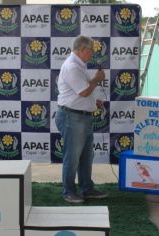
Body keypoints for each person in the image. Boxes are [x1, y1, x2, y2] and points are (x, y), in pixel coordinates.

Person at [55, 35, 108, 203]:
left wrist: (94, 102)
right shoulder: (72, 67)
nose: (92, 53)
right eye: (90, 49)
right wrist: (96, 79)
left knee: (86, 156)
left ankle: (87, 189)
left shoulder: (79, 65)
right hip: (72, 117)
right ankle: (69, 192)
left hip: (81, 117)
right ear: (81, 50)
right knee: (72, 157)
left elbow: (83, 93)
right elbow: (84, 91)